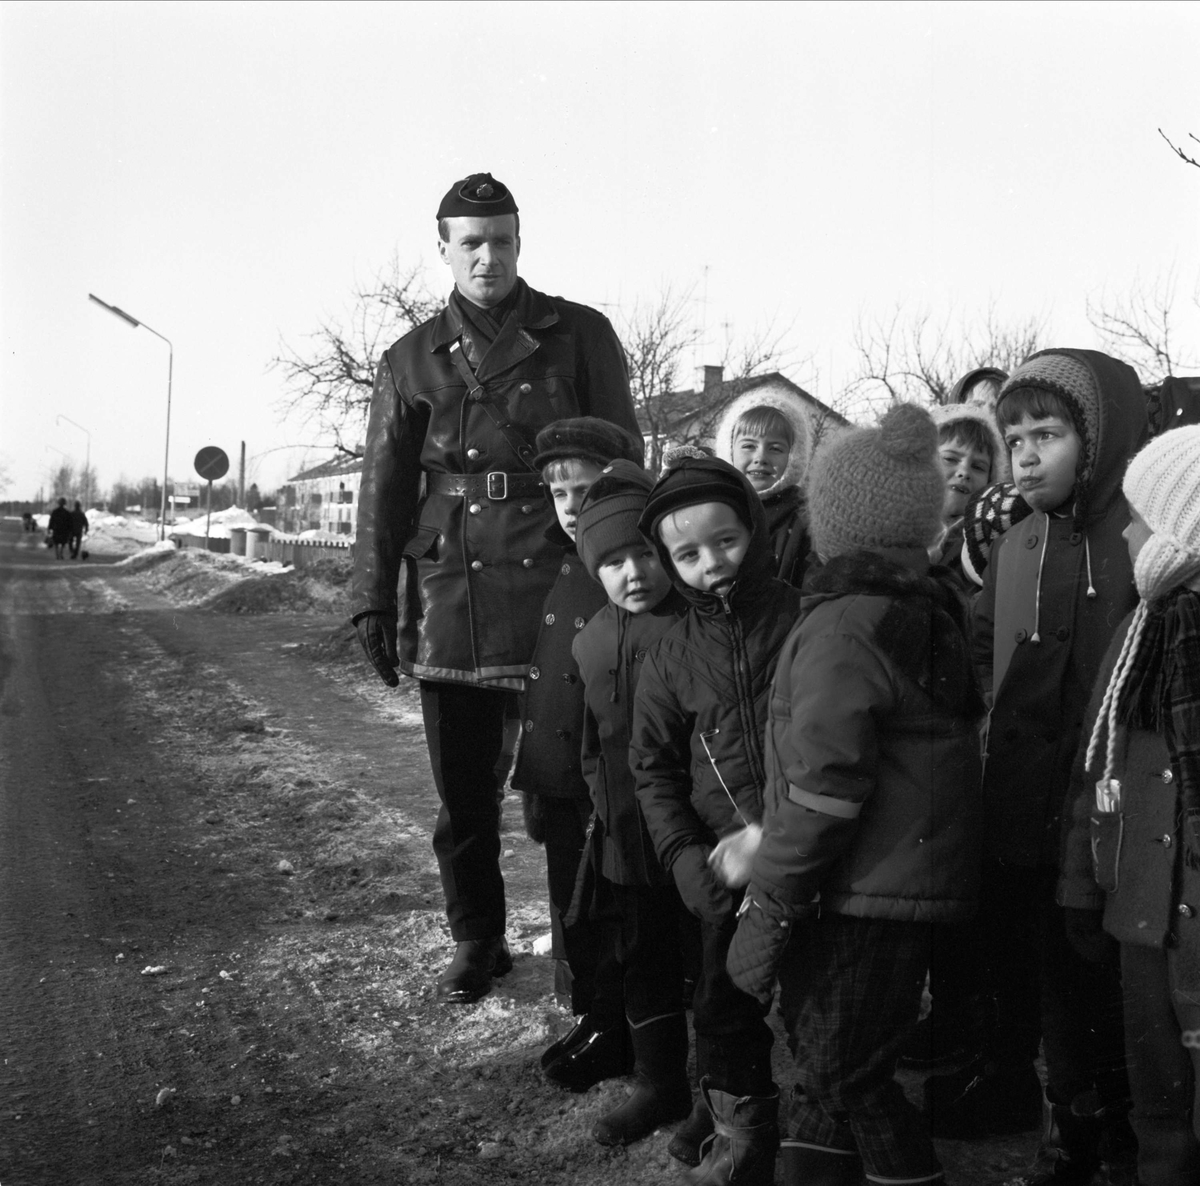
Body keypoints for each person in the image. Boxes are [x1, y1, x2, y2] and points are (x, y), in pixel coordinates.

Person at [351, 173, 639, 1005]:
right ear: (443, 249)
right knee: (464, 794)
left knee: (569, 785)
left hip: (561, 574)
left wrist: (625, 572)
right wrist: (372, 597)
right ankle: (477, 938)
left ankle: (583, 950)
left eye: (501, 240)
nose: (488, 256)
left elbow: (623, 461)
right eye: (470, 242)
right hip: (454, 593)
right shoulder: (409, 359)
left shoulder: (579, 335)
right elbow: (383, 490)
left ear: (520, 243)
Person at [724, 402, 984, 1186]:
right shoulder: (924, 606)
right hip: (902, 884)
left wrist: (771, 885)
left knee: (844, 1069)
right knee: (833, 1055)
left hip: (858, 892)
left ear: (835, 523)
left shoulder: (844, 626)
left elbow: (825, 790)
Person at [928, 350, 1147, 1174]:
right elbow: (983, 654)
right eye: (1013, 435)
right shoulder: (1015, 542)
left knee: (1116, 975)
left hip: (1117, 809)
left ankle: (1131, 1124)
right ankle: (1071, 1125)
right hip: (1026, 804)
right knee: (1048, 972)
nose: (1023, 453)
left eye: (1046, 434)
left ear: (1097, 439)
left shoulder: (1143, 540)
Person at [629, 450, 803, 1184]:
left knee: (818, 1005)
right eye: (689, 553)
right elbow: (654, 768)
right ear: (669, 561)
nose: (713, 563)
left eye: (725, 541)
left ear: (753, 532)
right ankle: (740, 1135)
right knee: (723, 1005)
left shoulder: (804, 617)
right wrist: (681, 857)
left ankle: (824, 1130)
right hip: (727, 871)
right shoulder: (669, 655)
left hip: (812, 853)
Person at [1058, 425, 1200, 1186]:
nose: (1125, 527)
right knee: (1158, 1103)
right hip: (1141, 914)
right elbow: (1096, 767)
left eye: (1141, 515)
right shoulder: (1138, 637)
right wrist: (1083, 886)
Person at [507, 416, 644, 1083]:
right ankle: (593, 1015)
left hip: (607, 789)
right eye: (560, 496)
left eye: (585, 492)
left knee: (610, 915)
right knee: (574, 907)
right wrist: (533, 780)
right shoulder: (566, 571)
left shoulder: (627, 577)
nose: (570, 510)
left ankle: (614, 1025)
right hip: (562, 784)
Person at [567, 461, 690, 1145]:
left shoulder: (695, 628)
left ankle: (728, 1095)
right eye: (613, 561)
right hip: (626, 841)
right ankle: (659, 1083)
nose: (633, 572)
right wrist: (604, 817)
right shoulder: (590, 641)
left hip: (694, 839)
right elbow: (591, 746)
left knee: (711, 964)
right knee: (643, 960)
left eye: (644, 552)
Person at [712, 391, 812, 587]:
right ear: (729, 449)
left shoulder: (805, 520)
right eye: (749, 446)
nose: (761, 458)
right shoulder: (710, 510)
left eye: (775, 448)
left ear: (794, 455)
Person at [927, 401, 1007, 586]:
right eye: (950, 459)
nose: (964, 472)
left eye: (978, 467)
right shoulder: (892, 531)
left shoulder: (983, 546)